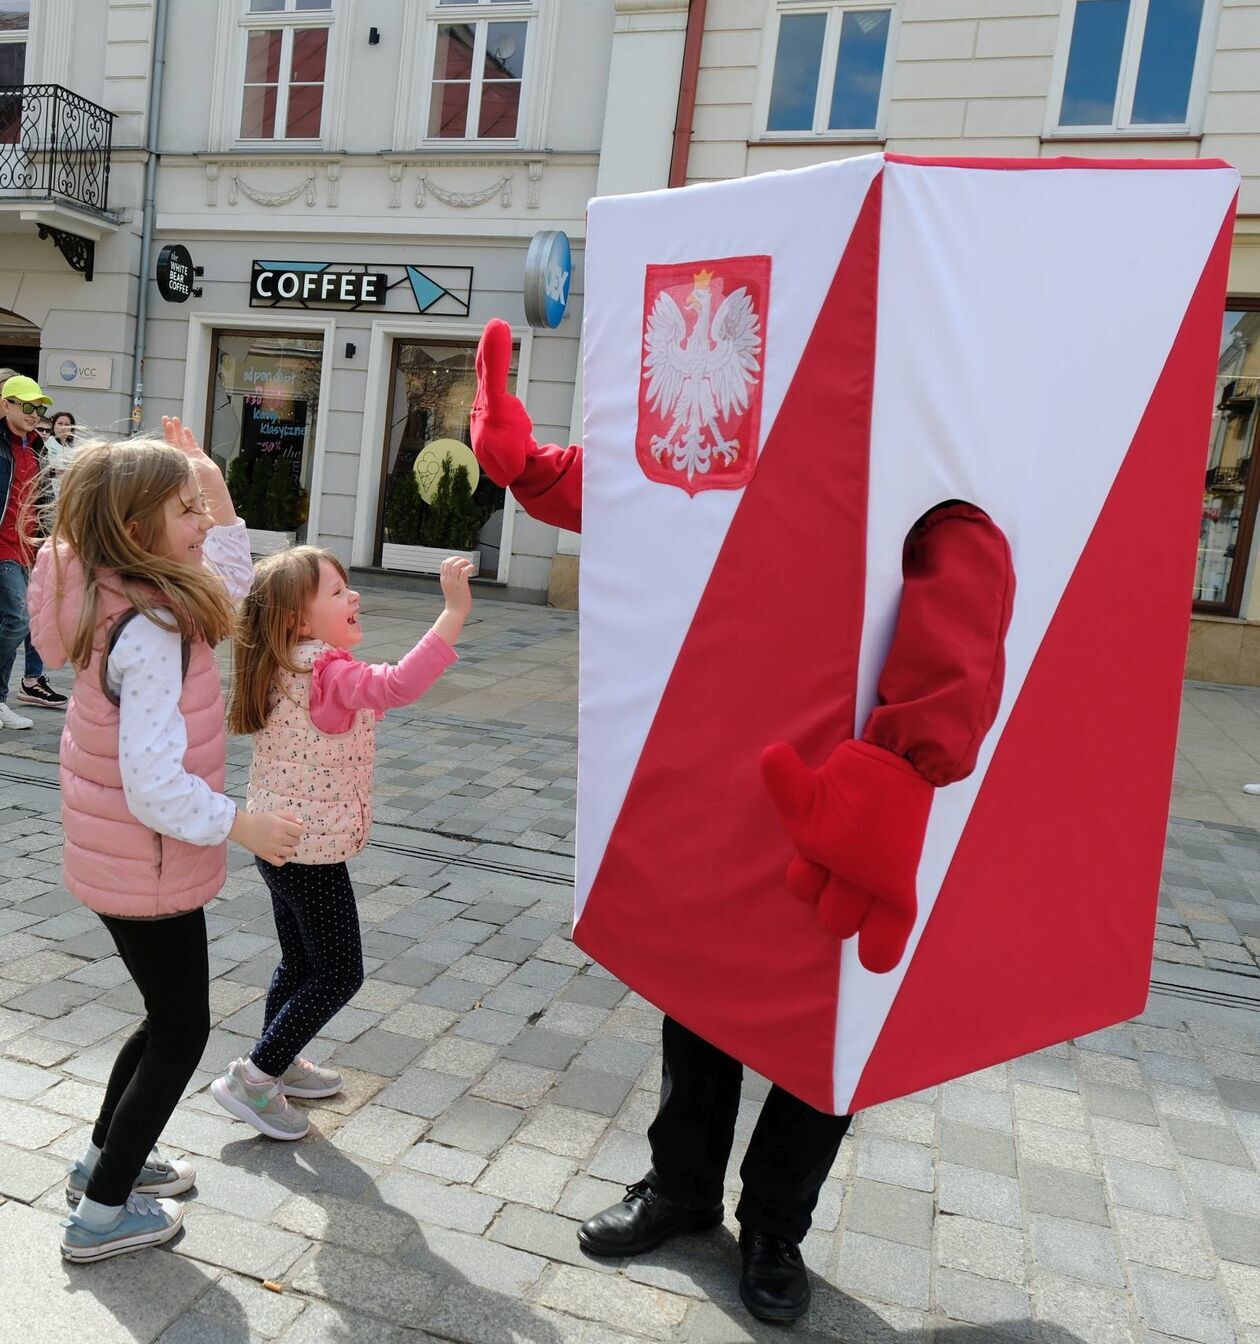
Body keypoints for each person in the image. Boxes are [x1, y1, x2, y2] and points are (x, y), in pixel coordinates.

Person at [470, 318, 1012, 1323]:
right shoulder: (781, 435)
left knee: (834, 1019)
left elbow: (966, 596)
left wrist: (900, 771)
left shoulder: (927, 463)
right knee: (703, 984)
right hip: (739, 768)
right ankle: (681, 1188)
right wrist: (536, 470)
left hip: (849, 799)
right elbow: (669, 498)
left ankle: (775, 1224)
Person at [27, 421, 304, 1262]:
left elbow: (225, 568)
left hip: (122, 853)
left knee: (165, 1016)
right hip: (146, 857)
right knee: (182, 1028)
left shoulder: (122, 587)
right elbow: (153, 786)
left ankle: (107, 1163)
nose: (205, 523)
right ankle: (101, 1214)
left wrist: (212, 484)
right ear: (140, 529)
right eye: (187, 510)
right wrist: (241, 822)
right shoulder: (148, 628)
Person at [211, 546, 473, 1139]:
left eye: (347, 586)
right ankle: (255, 1079)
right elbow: (399, 685)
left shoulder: (278, 663)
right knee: (339, 971)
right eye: (336, 591)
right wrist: (453, 612)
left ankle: (276, 1062)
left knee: (301, 961)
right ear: (297, 621)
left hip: (276, 845)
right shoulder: (328, 671)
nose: (352, 596)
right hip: (311, 852)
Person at [0, 374, 67, 718]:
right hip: (3, 547)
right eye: (26, 405)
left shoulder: (37, 446)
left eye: (38, 407)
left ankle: (1, 701)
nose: (33, 413)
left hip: (28, 547)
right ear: (5, 405)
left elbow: (40, 499)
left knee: (17, 621)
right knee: (17, 620)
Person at [46, 410, 77, 492]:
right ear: (53, 426)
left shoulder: (71, 450)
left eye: (67, 424)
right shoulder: (47, 443)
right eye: (60, 423)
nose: (63, 427)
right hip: (48, 491)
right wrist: (54, 472)